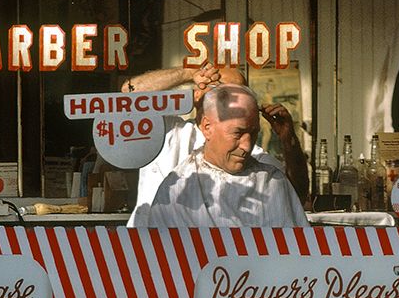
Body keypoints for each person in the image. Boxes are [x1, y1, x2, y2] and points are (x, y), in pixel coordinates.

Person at [121, 61, 309, 207]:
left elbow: (294, 196)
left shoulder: (247, 151)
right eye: (224, 93)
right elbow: (128, 93)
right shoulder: (168, 131)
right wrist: (190, 72)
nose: (234, 102)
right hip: (150, 247)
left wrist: (288, 140)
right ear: (198, 95)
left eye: (240, 94)